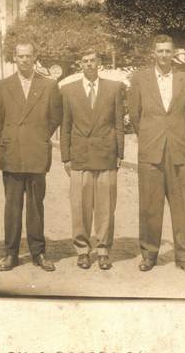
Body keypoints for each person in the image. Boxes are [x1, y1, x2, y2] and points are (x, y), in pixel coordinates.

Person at [128, 34, 185, 274]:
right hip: (151, 149)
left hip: (177, 149)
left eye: (168, 51)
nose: (164, 55)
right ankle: (149, 255)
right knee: (150, 205)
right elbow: (135, 114)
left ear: (174, 53)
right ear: (154, 53)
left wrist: (177, 135)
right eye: (160, 51)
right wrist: (150, 135)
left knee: (182, 206)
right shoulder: (140, 79)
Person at [0, 42, 62, 272]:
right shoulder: (3, 85)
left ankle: (38, 252)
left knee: (36, 206)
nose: (24, 60)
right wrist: (11, 138)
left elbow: (55, 117)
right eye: (20, 56)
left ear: (35, 57)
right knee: (12, 207)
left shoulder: (49, 85)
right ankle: (10, 253)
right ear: (15, 57)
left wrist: (39, 137)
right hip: (13, 153)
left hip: (36, 153)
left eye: (28, 56)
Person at [60, 49, 124, 271]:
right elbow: (65, 126)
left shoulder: (114, 88)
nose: (88, 64)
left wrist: (120, 153)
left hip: (106, 155)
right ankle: (83, 250)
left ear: (99, 63)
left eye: (92, 61)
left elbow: (118, 123)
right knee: (80, 207)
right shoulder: (68, 91)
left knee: (106, 207)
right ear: (80, 64)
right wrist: (66, 157)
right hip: (80, 156)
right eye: (84, 61)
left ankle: (104, 250)